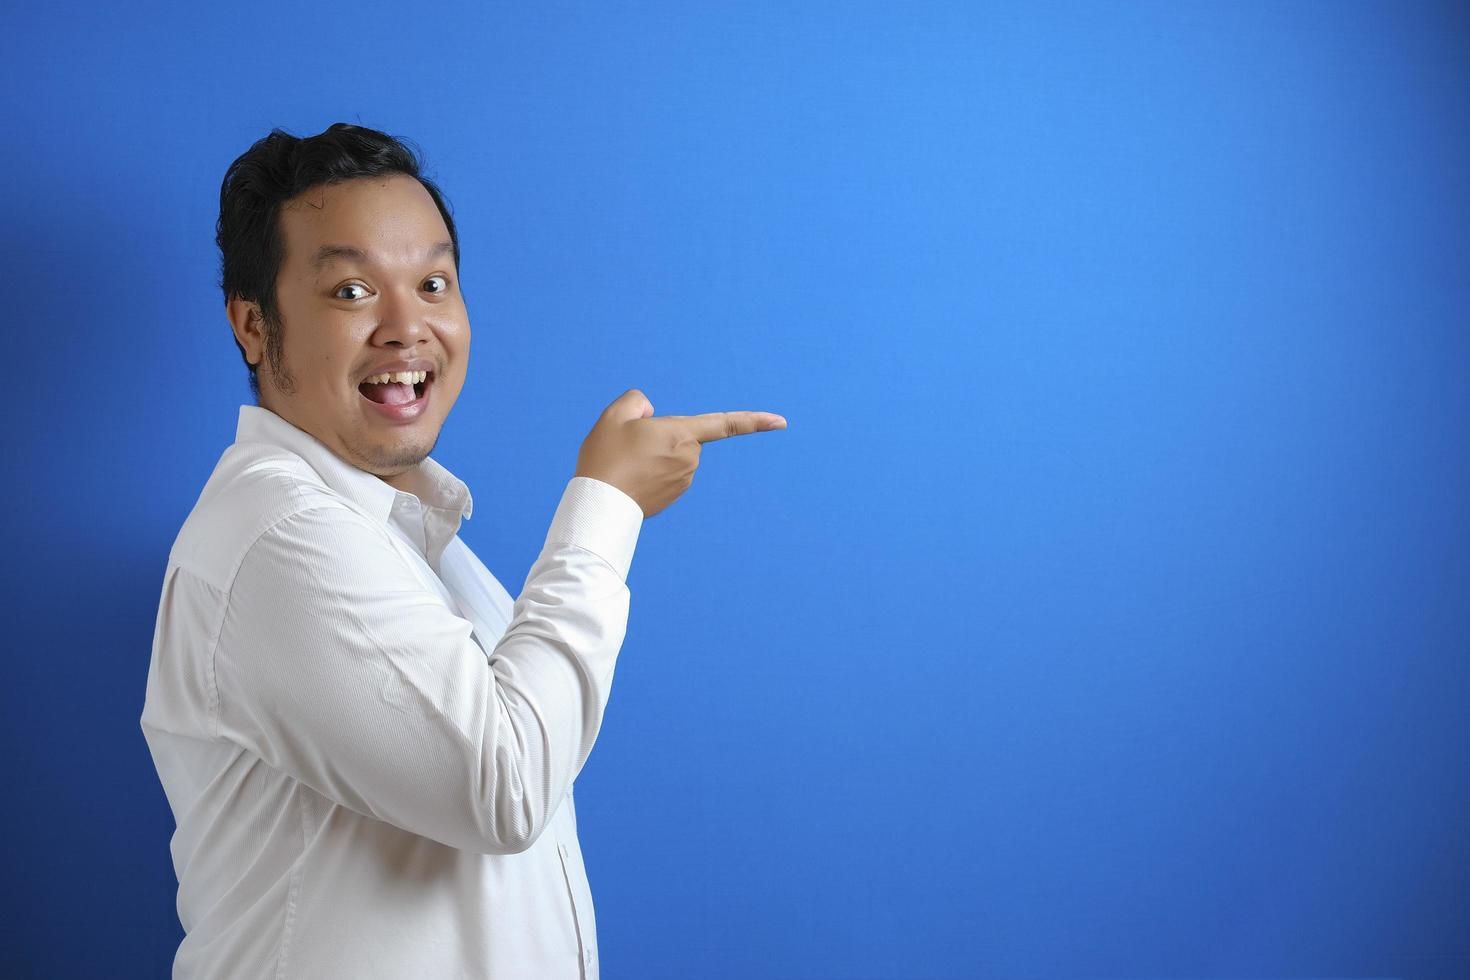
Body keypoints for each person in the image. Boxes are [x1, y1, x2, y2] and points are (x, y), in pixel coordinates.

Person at [138, 121, 786, 979]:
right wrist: (607, 508)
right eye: (352, 291)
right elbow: (504, 785)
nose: (409, 327)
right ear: (254, 326)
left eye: (434, 282)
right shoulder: (278, 535)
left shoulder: (417, 543)